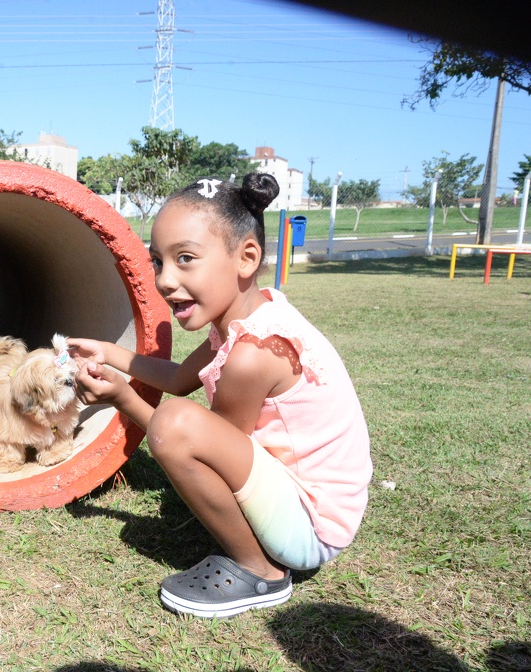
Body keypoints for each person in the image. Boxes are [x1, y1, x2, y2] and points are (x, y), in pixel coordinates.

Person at [68, 173, 372, 619]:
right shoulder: (248, 318)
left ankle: (261, 573)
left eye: (185, 258)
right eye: (157, 262)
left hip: (312, 528)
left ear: (246, 257)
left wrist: (122, 398)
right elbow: (176, 379)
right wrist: (111, 353)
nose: (165, 280)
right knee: (178, 418)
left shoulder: (254, 353)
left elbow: (202, 444)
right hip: (312, 507)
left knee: (175, 424)